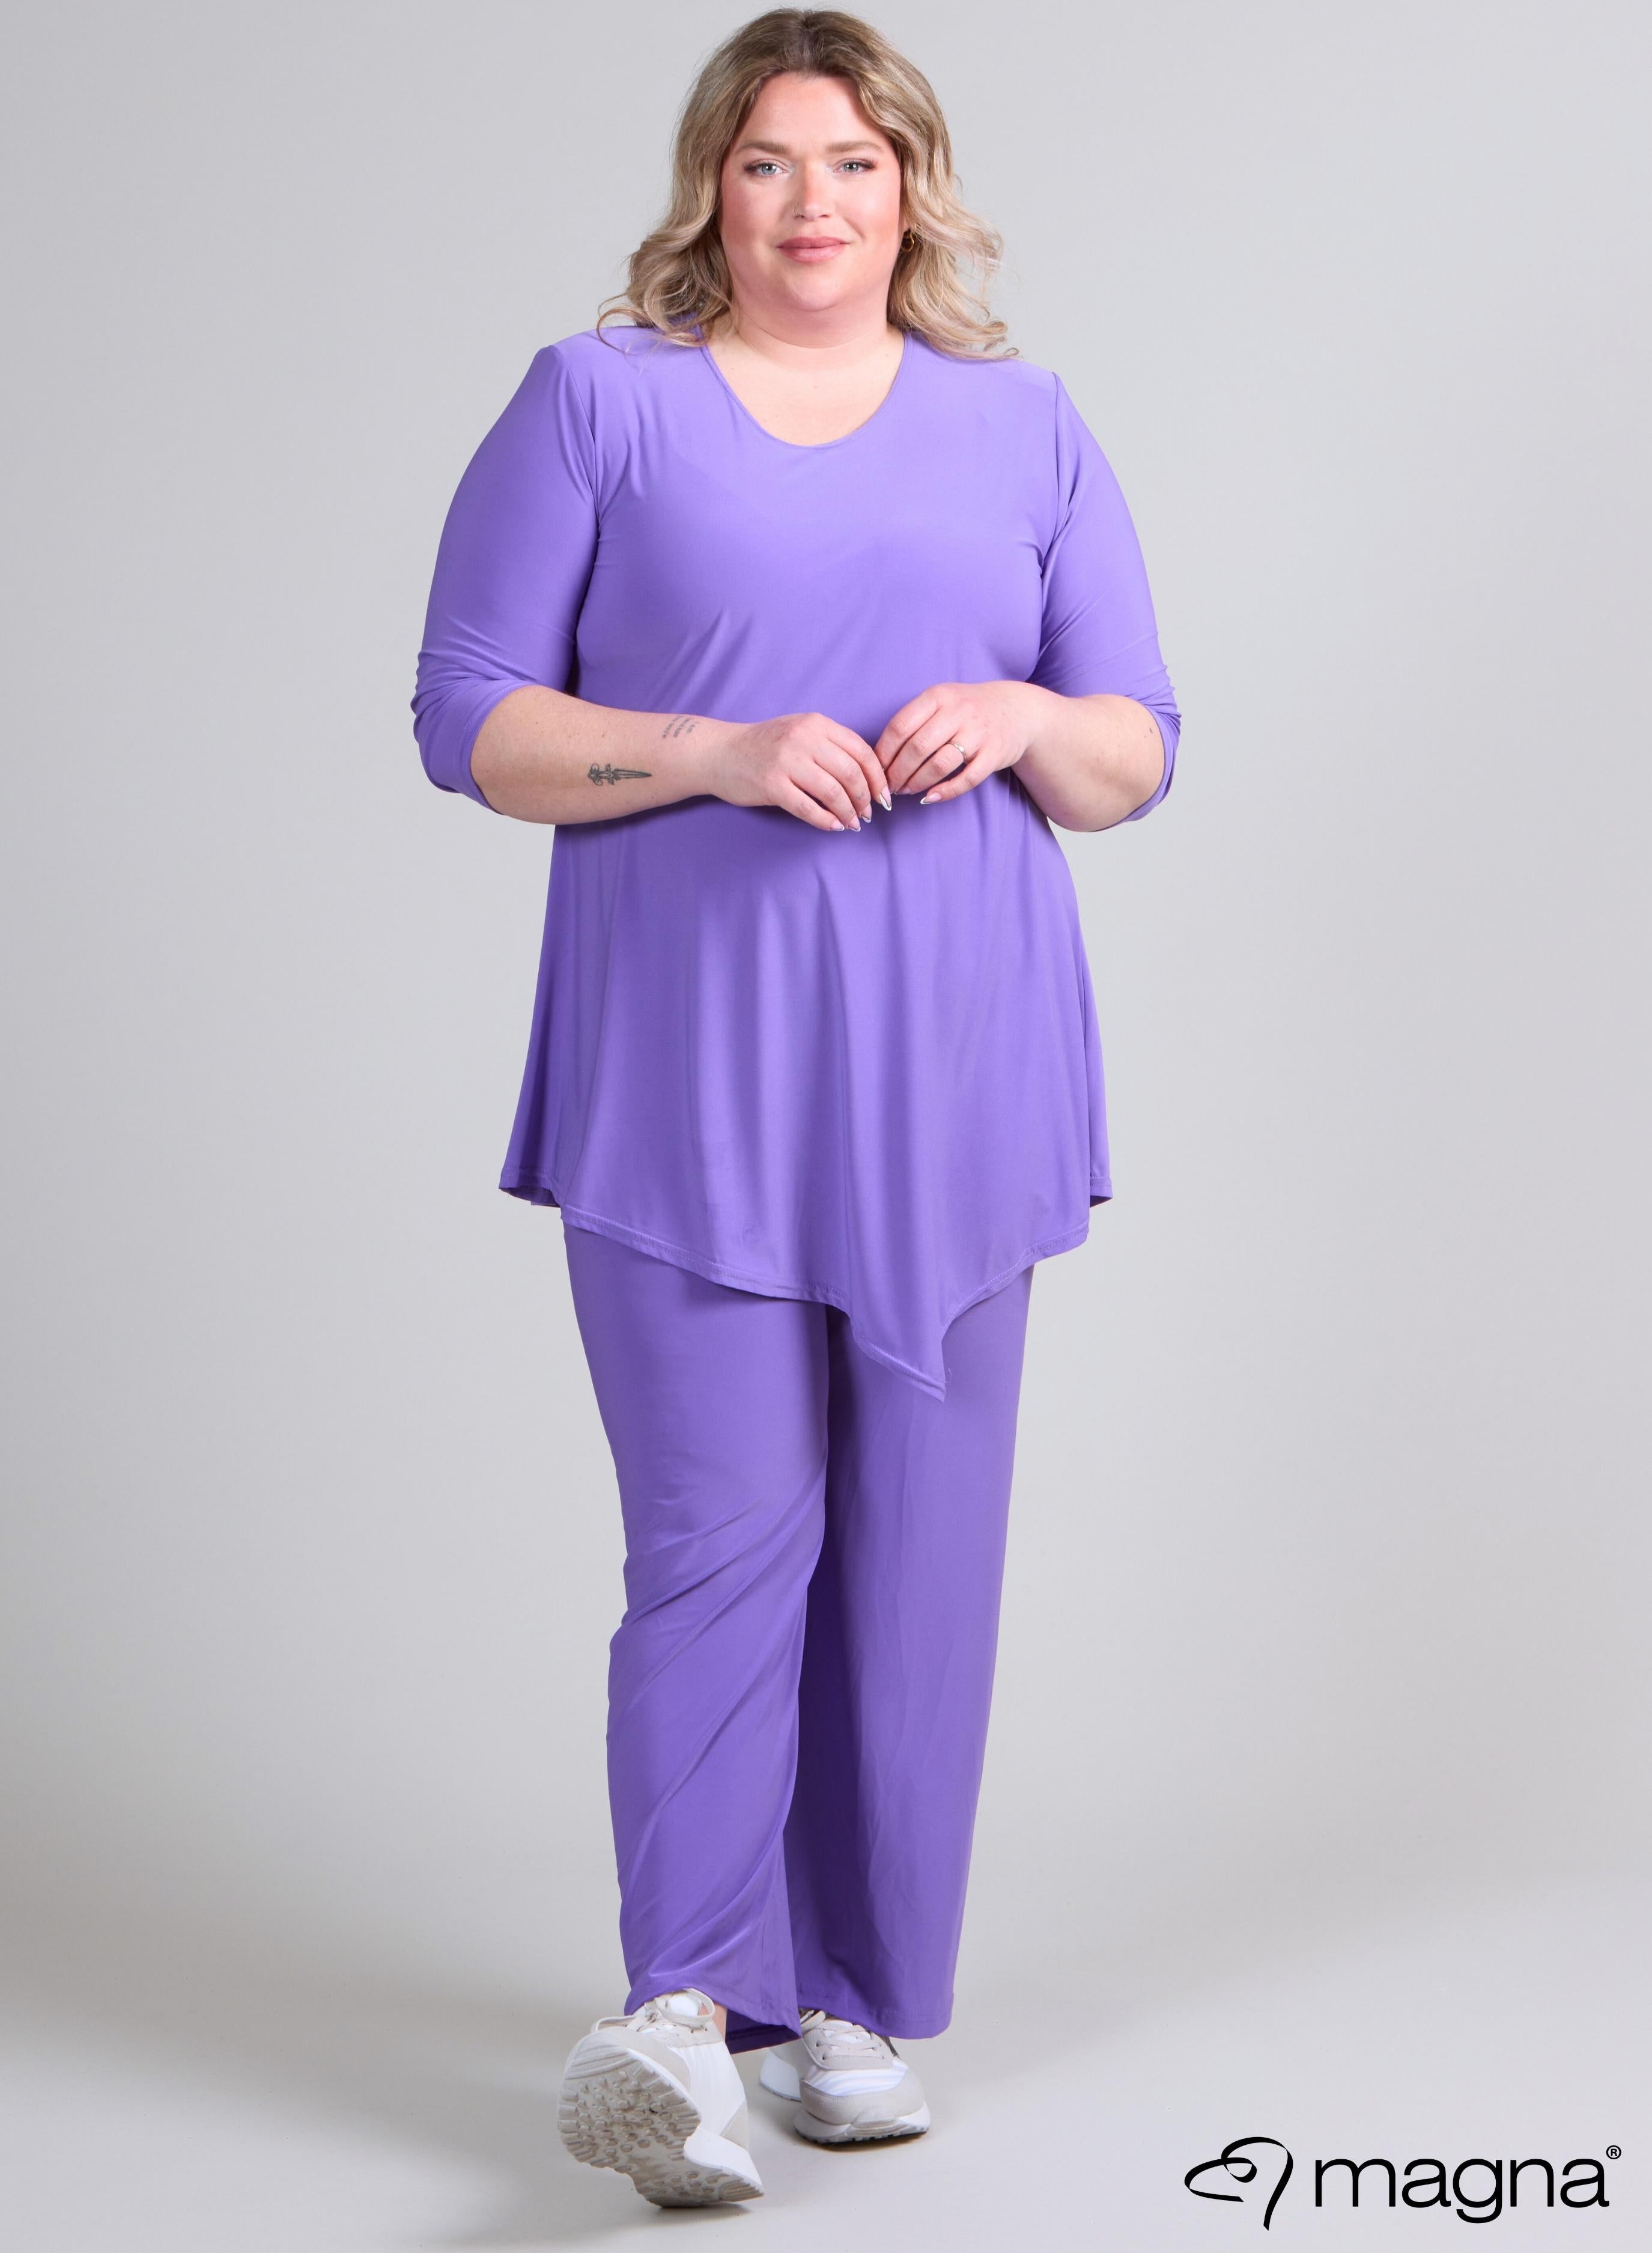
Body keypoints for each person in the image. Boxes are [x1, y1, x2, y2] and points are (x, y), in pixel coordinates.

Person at [411, 6, 1180, 2210]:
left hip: (962, 1077)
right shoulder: (601, 406)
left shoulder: (1025, 428)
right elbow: (471, 720)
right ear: (710, 190)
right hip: (693, 1081)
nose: (813, 202)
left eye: (853, 161)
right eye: (768, 163)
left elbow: (1133, 753)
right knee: (719, 1537)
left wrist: (1021, 710)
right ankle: (680, 2014)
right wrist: (720, 749)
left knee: (922, 1563)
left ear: (912, 188)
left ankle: (848, 2002)